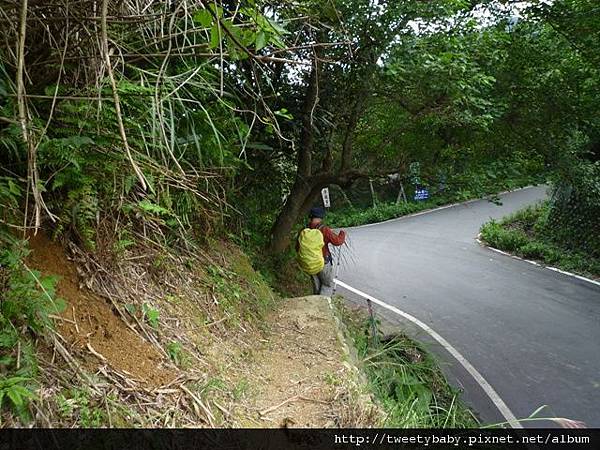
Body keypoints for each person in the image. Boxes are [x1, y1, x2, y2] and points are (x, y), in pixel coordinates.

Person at [296, 206, 346, 296]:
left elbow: (297, 248)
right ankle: (324, 307)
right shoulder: (324, 229)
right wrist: (342, 233)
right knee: (326, 285)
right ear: (320, 217)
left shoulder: (304, 231)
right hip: (323, 262)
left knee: (316, 287)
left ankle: (316, 306)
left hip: (310, 264)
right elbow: (337, 241)